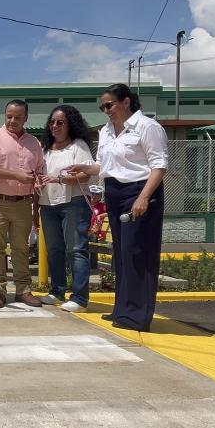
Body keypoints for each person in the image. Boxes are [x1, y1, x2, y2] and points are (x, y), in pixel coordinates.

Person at [67, 83, 167, 331]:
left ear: (126, 101)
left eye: (109, 105)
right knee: (122, 254)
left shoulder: (147, 127)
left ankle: (138, 316)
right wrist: (84, 168)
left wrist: (143, 197)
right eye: (102, 106)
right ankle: (123, 310)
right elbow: (103, 166)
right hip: (115, 192)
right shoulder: (106, 132)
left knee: (138, 254)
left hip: (140, 190)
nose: (106, 110)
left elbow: (159, 166)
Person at [0, 99, 45, 308]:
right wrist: (17, 175)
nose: (12, 120)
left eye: (17, 117)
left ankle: (23, 290)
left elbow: (39, 172)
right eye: (9, 116)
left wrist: (38, 192)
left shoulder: (34, 142)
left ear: (26, 118)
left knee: (21, 248)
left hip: (24, 203)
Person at [35, 105, 94, 313]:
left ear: (71, 124)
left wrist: (60, 178)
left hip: (74, 203)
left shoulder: (78, 146)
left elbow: (86, 175)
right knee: (54, 250)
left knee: (76, 250)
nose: (55, 126)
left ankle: (79, 298)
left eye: (60, 122)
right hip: (48, 204)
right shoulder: (45, 149)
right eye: (52, 122)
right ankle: (57, 291)